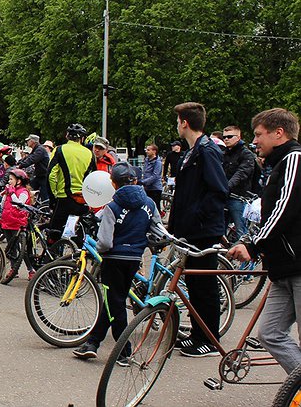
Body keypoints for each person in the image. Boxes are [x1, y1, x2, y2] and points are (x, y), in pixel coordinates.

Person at [227, 108, 301, 373]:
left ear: (279, 133)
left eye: (259, 134)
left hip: (297, 265)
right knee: (270, 334)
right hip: (283, 268)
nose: (254, 141)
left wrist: (252, 245)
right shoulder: (278, 164)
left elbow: (285, 208)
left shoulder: (294, 159)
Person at [73, 163, 167, 361]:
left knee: (115, 304)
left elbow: (106, 242)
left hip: (113, 260)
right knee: (114, 300)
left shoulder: (112, 206)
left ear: (113, 184)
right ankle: (93, 342)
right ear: (135, 180)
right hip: (134, 259)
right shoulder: (149, 203)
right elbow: (157, 227)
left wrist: (99, 248)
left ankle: (124, 351)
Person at [169, 102, 228, 358]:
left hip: (203, 231)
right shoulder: (191, 152)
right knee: (194, 285)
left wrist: (196, 216)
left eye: (177, 121)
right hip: (190, 231)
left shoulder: (207, 151)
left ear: (185, 122)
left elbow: (219, 190)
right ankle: (197, 334)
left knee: (205, 286)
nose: (176, 125)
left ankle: (210, 340)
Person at [48, 124, 97, 232]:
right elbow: (93, 178)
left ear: (67, 136)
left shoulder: (59, 150)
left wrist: (53, 196)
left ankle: (55, 246)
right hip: (81, 199)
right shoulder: (90, 154)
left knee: (54, 233)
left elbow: (51, 175)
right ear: (82, 138)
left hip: (63, 198)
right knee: (80, 234)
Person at [222, 125, 258, 238]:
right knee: (218, 229)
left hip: (239, 197)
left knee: (241, 231)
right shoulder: (224, 153)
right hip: (224, 195)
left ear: (238, 137)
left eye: (229, 136)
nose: (226, 139)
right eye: (224, 137)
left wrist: (227, 186)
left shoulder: (246, 154)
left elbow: (242, 173)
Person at [0, 169, 33, 283]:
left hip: (18, 223)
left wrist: (12, 192)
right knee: (11, 249)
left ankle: (31, 270)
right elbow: (3, 205)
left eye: (11, 179)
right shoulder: (10, 190)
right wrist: (5, 195)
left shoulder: (23, 192)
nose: (9, 181)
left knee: (22, 250)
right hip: (7, 222)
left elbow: (19, 205)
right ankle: (14, 270)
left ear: (19, 181)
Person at [17, 134, 49, 200]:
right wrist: (19, 163)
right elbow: (28, 157)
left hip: (44, 176)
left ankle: (45, 208)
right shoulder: (36, 149)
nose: (27, 142)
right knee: (29, 188)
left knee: (44, 196)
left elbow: (32, 159)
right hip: (39, 175)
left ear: (32, 141)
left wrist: (20, 166)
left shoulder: (40, 150)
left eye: (28, 140)